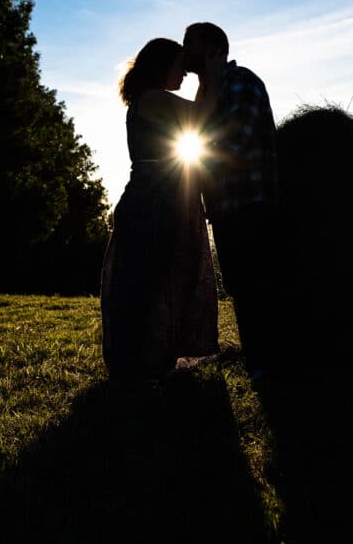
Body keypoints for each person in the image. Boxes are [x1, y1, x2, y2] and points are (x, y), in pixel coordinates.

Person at [100, 38, 220, 378]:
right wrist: (208, 76)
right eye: (180, 64)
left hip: (156, 201)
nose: (184, 72)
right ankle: (143, 365)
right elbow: (202, 117)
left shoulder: (151, 100)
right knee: (150, 286)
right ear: (162, 66)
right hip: (152, 204)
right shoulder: (153, 99)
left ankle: (151, 363)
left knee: (155, 285)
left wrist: (204, 82)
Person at [182, 22, 283, 375]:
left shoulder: (240, 82)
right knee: (242, 285)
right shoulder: (209, 90)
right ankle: (259, 360)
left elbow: (230, 147)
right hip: (228, 207)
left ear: (211, 47)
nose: (184, 53)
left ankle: (271, 360)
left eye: (189, 44)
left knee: (258, 282)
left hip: (251, 204)